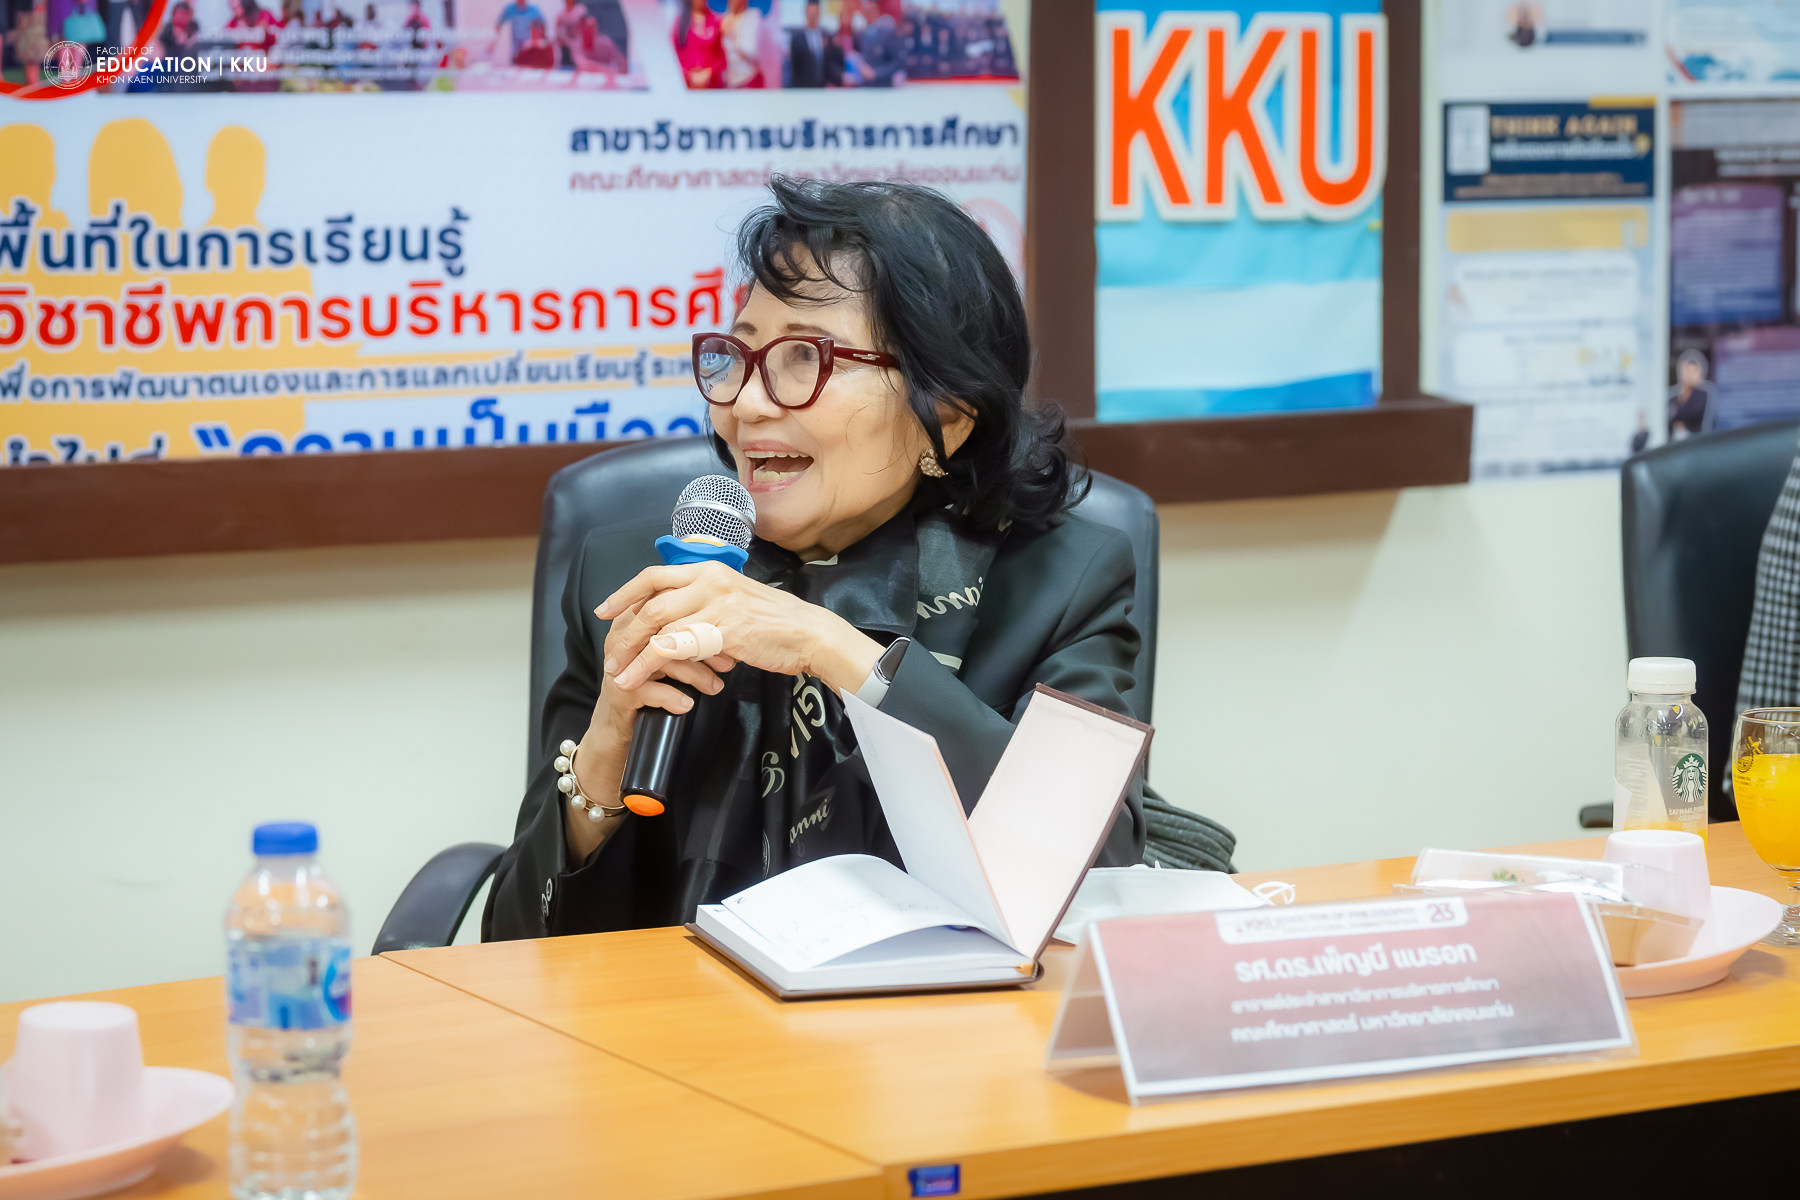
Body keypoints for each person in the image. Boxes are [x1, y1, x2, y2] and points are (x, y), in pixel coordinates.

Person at [482, 177, 1236, 941]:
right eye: (738, 355)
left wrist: (839, 653)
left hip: (943, 1009)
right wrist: (606, 751)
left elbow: (1087, 871)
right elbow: (514, 943)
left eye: (803, 358)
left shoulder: (1061, 580)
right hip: (675, 1006)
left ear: (948, 410)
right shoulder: (635, 577)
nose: (746, 403)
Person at [672, 0, 721, 87]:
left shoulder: (716, 21)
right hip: (687, 84)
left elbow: (720, 54)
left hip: (711, 84)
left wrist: (708, 72)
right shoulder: (680, 23)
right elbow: (675, 52)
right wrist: (689, 74)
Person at [1668, 348, 1713, 440]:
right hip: (1675, 441)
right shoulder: (1674, 398)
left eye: (1692, 371)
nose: (1689, 375)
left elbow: (1696, 416)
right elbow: (1670, 420)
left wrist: (1682, 424)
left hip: (1694, 440)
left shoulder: (1702, 396)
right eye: (1687, 371)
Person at [719, 0, 761, 87]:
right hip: (728, 83)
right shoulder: (724, 18)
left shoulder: (753, 16)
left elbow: (753, 53)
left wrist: (733, 37)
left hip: (748, 81)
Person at [787, 0, 829, 87]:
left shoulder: (825, 36)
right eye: (810, 12)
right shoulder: (797, 38)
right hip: (804, 88)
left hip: (823, 88)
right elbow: (794, 69)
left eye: (815, 12)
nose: (813, 15)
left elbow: (828, 64)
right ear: (806, 12)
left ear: (819, 13)